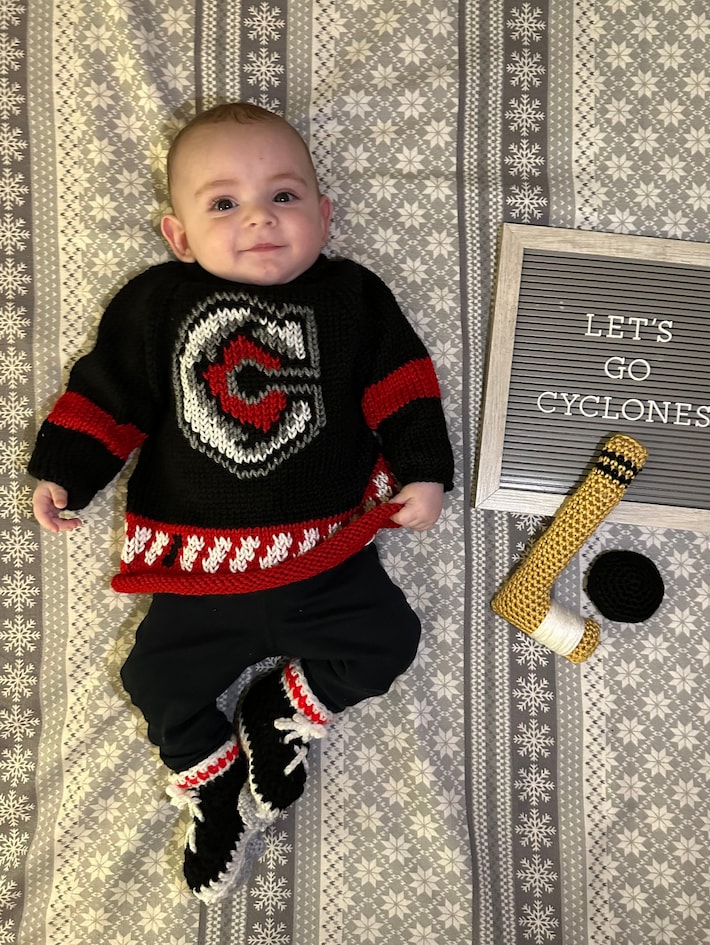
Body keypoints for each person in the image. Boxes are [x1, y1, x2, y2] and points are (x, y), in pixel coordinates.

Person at [27, 102, 454, 904]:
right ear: (179, 235)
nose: (259, 216)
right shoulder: (156, 306)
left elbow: (403, 386)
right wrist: (67, 470)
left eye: (284, 196)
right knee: (155, 681)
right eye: (223, 203)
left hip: (327, 561)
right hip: (201, 577)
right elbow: (107, 393)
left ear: (325, 216)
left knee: (390, 638)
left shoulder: (354, 299)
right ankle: (214, 782)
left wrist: (422, 471)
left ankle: (277, 709)